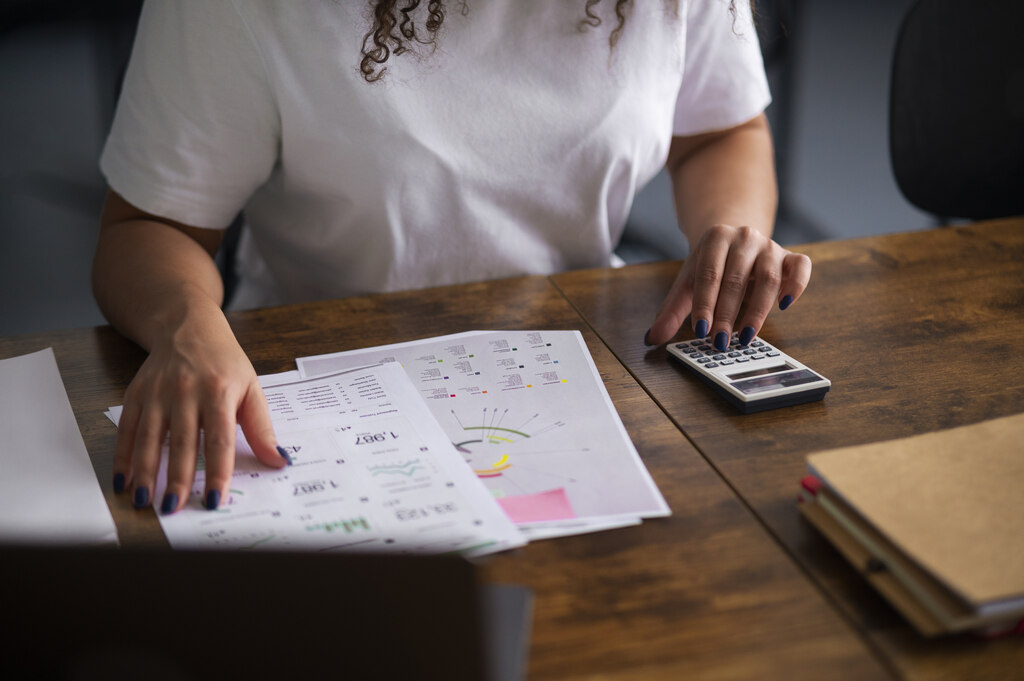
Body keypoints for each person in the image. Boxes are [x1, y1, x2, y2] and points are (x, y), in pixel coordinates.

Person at [93, 0, 811, 515]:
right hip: (312, 388)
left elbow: (722, 130)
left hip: (580, 375)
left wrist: (730, 230)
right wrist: (188, 324)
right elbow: (146, 228)